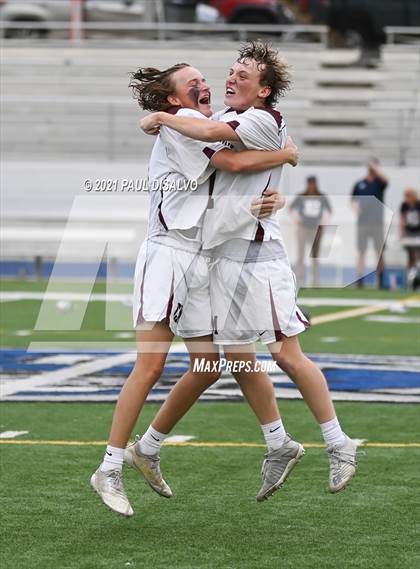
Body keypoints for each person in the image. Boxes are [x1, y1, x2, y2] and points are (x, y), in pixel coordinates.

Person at [141, 41, 358, 499]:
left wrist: (161, 117)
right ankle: (278, 442)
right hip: (221, 256)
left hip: (258, 257)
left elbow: (232, 157)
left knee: (285, 353)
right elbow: (220, 156)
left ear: (264, 90)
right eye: (233, 70)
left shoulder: (260, 119)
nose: (231, 78)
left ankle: (339, 444)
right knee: (239, 358)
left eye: (244, 73)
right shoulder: (224, 117)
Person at [90, 62, 299, 517]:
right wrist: (286, 153)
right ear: (173, 99)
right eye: (193, 84)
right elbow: (232, 162)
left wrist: (276, 195)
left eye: (204, 80)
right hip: (168, 254)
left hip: (200, 257)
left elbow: (238, 172)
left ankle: (146, 448)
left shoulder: (205, 122)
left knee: (206, 366)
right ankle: (108, 466)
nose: (204, 86)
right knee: (150, 366)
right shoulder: (184, 127)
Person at [351, 158, 389, 288]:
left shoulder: (379, 183)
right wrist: (356, 209)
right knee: (361, 251)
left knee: (379, 251)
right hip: (363, 223)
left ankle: (381, 279)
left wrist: (376, 169)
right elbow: (353, 200)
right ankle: (360, 279)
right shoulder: (360, 183)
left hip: (377, 223)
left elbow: (386, 180)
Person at [289, 175, 332, 287]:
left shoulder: (321, 197)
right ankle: (300, 280)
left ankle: (315, 282)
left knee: (315, 256)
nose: (312, 186)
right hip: (303, 227)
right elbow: (291, 208)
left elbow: (329, 210)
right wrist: (296, 219)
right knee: (301, 254)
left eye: (313, 184)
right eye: (310, 184)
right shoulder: (302, 196)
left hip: (316, 229)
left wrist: (324, 221)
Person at [400, 188, 420, 286]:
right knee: (410, 255)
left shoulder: (418, 205)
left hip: (417, 232)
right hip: (409, 233)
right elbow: (402, 219)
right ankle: (410, 278)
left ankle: (417, 274)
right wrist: (402, 233)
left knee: (418, 254)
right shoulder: (404, 205)